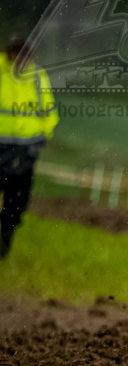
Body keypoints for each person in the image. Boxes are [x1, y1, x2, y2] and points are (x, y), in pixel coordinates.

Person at [0, 33, 58, 258]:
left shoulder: (37, 76)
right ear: (9, 51)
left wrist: (44, 135)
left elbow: (49, 111)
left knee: (16, 204)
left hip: (25, 151)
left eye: (24, 52)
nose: (19, 57)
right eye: (16, 51)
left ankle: (4, 244)